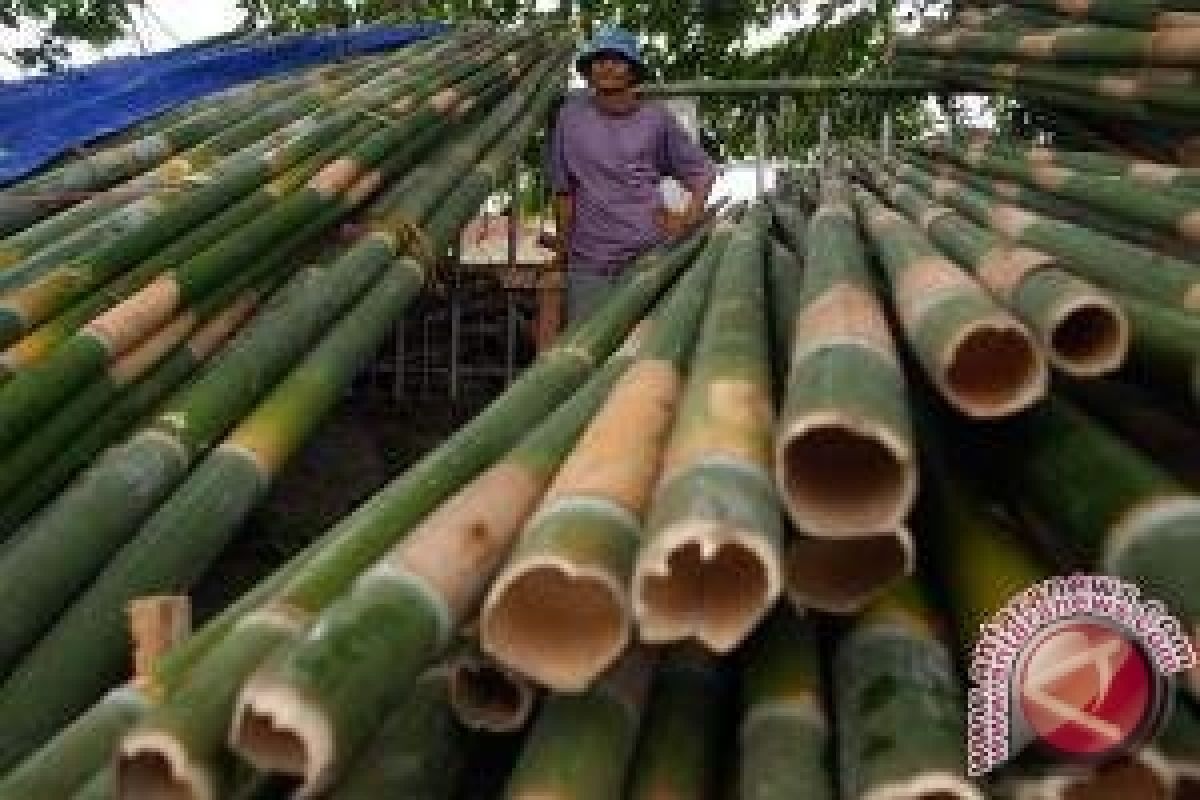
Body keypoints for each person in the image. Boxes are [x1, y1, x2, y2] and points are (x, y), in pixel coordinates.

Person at [547, 25, 717, 327]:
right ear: (588, 70)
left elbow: (701, 170)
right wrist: (561, 252)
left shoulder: (656, 119)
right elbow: (564, 190)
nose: (607, 66)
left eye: (617, 59)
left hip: (648, 255)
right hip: (589, 262)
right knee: (588, 353)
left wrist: (690, 216)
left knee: (644, 351)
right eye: (599, 59)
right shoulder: (570, 117)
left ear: (633, 70)